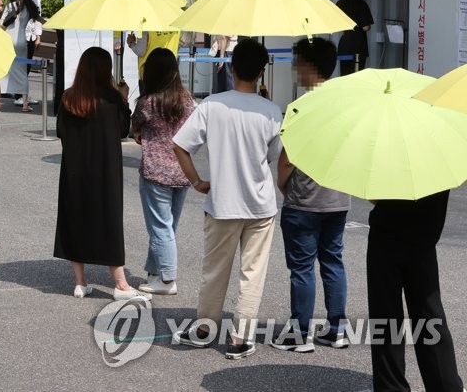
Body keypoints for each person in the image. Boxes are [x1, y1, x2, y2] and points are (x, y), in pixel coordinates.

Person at [172, 38, 282, 359]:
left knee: (215, 269)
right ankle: (241, 338)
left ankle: (205, 329)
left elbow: (181, 145)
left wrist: (196, 181)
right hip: (260, 205)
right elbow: (274, 155)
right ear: (261, 72)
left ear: (231, 68)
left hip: (221, 203)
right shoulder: (271, 111)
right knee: (253, 273)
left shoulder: (211, 105)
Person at [271, 37, 350, 353]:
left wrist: (282, 184)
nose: (294, 68)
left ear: (309, 66)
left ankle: (300, 334)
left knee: (302, 267)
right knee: (333, 262)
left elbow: (287, 159)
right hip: (338, 198)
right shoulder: (345, 105)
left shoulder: (300, 107)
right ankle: (337, 329)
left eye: (297, 61)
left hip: (304, 199)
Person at [54, 47, 148, 302]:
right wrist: (125, 99)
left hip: (74, 170)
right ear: (106, 69)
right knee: (109, 222)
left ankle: (80, 282)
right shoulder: (112, 98)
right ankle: (120, 283)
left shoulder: (68, 98)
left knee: (75, 219)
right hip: (105, 170)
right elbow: (122, 130)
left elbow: (60, 132)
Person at [368, 190, 464, 392]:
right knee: (429, 312)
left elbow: (376, 194)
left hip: (387, 233)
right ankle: (445, 385)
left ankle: (391, 386)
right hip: (426, 232)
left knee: (386, 318)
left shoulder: (388, 157)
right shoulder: (440, 158)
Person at [130, 48, 194, 296]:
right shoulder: (186, 99)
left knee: (160, 227)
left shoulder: (147, 102)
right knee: (167, 227)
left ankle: (167, 279)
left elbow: (134, 130)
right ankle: (154, 272)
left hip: (156, 172)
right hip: (182, 170)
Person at [0, 0, 42, 112]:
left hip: (8, 39)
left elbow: (2, 24)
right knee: (23, 72)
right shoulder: (28, 5)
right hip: (22, 41)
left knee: (4, 69)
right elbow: (38, 19)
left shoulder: (9, 6)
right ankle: (24, 103)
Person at [336, 0, 373, 76]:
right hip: (359, 45)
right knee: (357, 77)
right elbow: (366, 27)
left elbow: (337, 24)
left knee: (345, 76)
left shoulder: (340, 4)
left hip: (345, 45)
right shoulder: (362, 5)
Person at [127, 30, 181, 95]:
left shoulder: (146, 24)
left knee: (149, 103)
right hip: (170, 72)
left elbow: (140, 51)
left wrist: (131, 43)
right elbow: (182, 42)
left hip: (149, 74)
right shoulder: (175, 24)